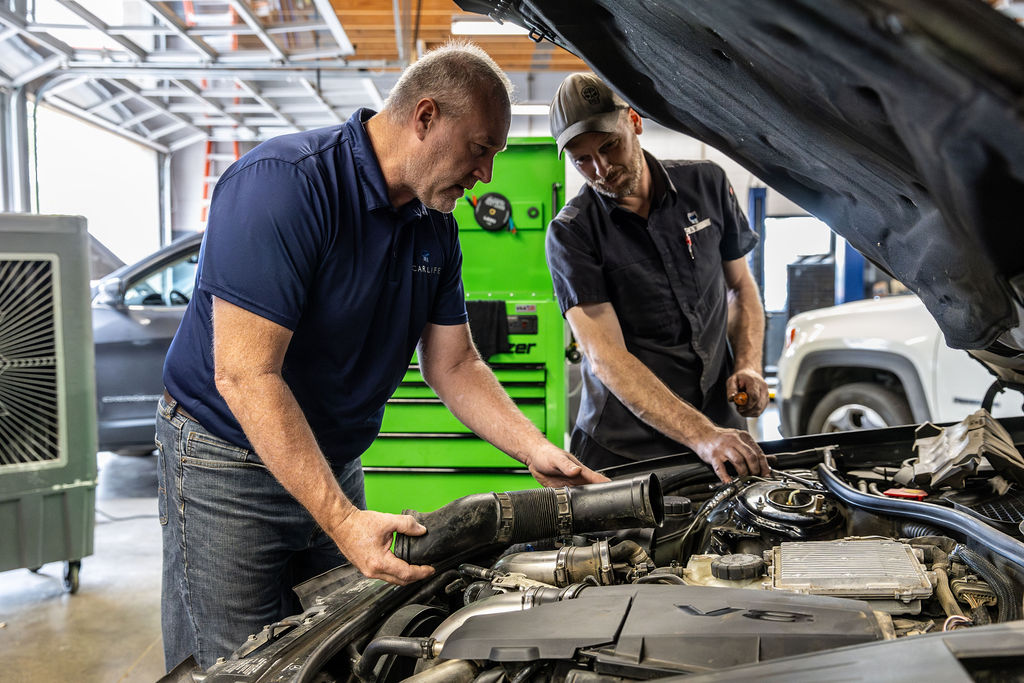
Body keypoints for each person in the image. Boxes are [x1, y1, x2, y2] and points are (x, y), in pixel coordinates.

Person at [157, 44, 605, 671]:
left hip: (330, 457)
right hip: (227, 464)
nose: (486, 175)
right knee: (239, 664)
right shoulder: (285, 186)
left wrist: (536, 449)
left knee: (333, 650)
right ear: (425, 117)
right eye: (480, 149)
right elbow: (245, 374)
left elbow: (454, 364)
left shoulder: (434, 224)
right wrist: (341, 520)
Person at [545, 72, 771, 483]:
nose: (601, 168)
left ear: (634, 121)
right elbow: (606, 359)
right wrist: (703, 436)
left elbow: (740, 288)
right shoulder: (572, 233)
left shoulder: (708, 185)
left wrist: (749, 365)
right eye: (583, 160)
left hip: (718, 435)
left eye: (609, 146)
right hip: (625, 453)